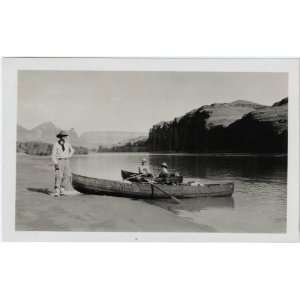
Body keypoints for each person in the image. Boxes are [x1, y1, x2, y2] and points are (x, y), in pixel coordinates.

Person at [51, 130, 74, 196]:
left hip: (66, 161)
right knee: (58, 175)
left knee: (67, 175)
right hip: (59, 161)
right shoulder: (56, 144)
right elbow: (53, 155)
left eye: (65, 136)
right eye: (63, 136)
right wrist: (56, 163)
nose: (64, 137)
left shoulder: (68, 144)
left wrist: (68, 156)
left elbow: (72, 150)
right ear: (60, 137)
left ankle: (62, 189)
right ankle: (56, 190)